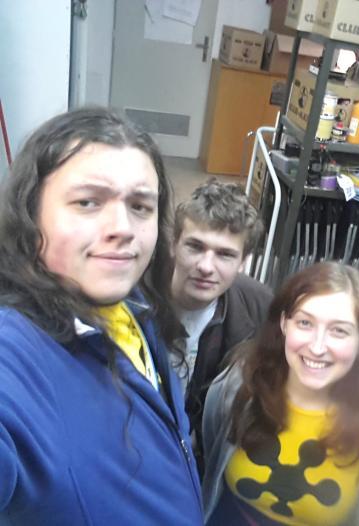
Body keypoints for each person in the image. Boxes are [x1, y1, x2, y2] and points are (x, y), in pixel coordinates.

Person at [0, 107, 203, 525]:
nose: (123, 227)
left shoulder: (133, 304)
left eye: (140, 206)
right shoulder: (14, 358)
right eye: (88, 202)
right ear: (30, 213)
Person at [202, 262, 359, 525]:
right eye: (305, 323)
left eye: (339, 331)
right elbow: (210, 450)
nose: (317, 347)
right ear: (284, 323)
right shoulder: (241, 383)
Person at [169, 179, 273, 467]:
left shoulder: (260, 308)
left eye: (225, 254)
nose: (206, 266)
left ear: (244, 262)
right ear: (174, 244)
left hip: (204, 458)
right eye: (195, 247)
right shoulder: (134, 295)